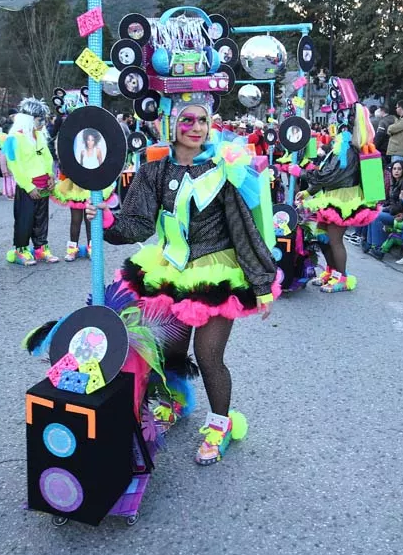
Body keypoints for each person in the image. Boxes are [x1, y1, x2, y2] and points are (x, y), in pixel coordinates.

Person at [87, 98, 277, 466]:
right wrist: (107, 222)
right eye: (187, 120)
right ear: (171, 124)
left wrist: (261, 283)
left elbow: (243, 230)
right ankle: (174, 403)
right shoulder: (152, 172)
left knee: (208, 355)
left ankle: (219, 425)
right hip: (171, 270)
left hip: (217, 274)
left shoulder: (223, 171)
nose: (195, 127)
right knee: (170, 351)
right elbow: (138, 223)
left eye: (202, 120)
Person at [299, 107, 382, 292]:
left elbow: (329, 175)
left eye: (337, 123)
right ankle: (331, 271)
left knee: (335, 240)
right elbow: (326, 173)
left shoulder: (348, 149)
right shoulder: (339, 146)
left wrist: (303, 173)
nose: (333, 126)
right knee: (322, 237)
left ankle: (342, 277)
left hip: (344, 201)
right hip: (329, 198)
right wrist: (307, 192)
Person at [0, 99, 59, 266]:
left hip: (43, 184)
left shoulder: (39, 135)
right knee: (24, 219)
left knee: (42, 219)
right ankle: (21, 250)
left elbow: (47, 157)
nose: (43, 123)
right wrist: (28, 186)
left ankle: (41, 247)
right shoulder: (13, 138)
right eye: (40, 119)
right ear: (28, 118)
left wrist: (50, 175)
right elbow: (15, 165)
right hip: (28, 186)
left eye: (44, 119)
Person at [363, 159, 403, 260]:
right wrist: (382, 206)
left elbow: (400, 205)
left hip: (399, 215)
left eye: (399, 169)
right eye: (394, 169)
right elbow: (390, 200)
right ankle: (369, 243)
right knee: (372, 211)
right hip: (391, 210)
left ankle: (378, 247)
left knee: (376, 215)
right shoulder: (394, 182)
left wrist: (385, 209)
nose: (396, 171)